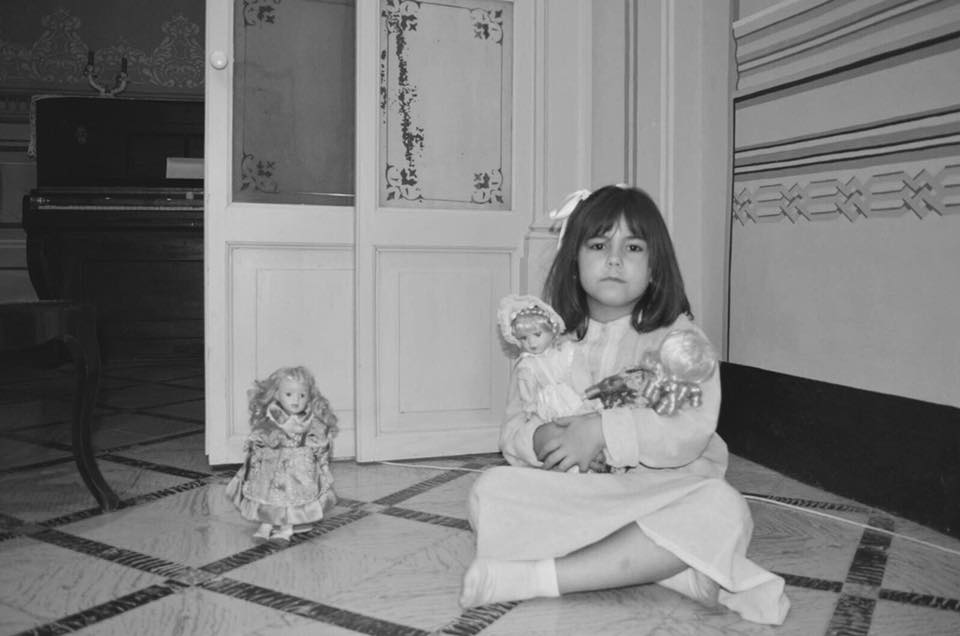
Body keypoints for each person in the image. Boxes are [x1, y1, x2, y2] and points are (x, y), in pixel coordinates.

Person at [460, 185, 790, 625]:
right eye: (598, 245)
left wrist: (601, 432)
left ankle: (541, 577)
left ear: (655, 266)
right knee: (489, 492)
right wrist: (543, 440)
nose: (614, 259)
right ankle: (669, 565)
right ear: (573, 261)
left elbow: (688, 430)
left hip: (657, 494)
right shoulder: (544, 347)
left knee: (723, 509)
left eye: (633, 247)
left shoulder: (681, 342)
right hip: (583, 498)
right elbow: (514, 428)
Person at [226, 366, 338, 544]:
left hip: (298, 468)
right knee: (267, 495)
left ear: (309, 396)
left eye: (302, 395)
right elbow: (260, 435)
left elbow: (320, 442)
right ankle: (266, 524)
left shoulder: (310, 420)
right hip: (271, 466)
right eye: (289, 394)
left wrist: (320, 459)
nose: (296, 400)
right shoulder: (271, 416)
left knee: (291, 497)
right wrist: (259, 446)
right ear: (277, 394)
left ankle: (286, 529)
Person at [497, 293, 594, 422]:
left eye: (537, 335)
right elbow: (527, 390)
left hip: (569, 397)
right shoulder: (527, 364)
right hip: (546, 405)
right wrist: (530, 408)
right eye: (524, 338)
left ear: (552, 331)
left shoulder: (560, 352)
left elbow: (576, 375)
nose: (532, 343)